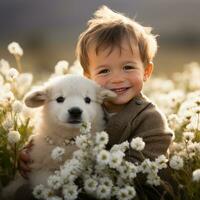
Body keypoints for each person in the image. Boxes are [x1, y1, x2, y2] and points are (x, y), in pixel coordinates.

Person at [19, 5, 173, 199]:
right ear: (88, 77)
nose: (117, 78)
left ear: (147, 72)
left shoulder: (151, 119)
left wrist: (77, 173)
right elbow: (59, 137)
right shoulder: (88, 105)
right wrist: (32, 154)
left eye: (128, 67)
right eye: (104, 71)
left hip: (133, 192)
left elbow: (141, 171)